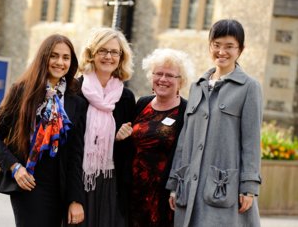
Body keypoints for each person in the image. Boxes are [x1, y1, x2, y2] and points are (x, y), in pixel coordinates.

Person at [166, 19, 263, 227]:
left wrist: (249, 186)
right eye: (217, 45)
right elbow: (184, 139)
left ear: (241, 50)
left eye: (229, 46)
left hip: (222, 187)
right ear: (210, 45)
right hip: (189, 187)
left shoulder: (249, 88)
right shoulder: (197, 86)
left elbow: (252, 141)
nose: (222, 52)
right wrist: (175, 182)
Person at [0, 34, 86, 227]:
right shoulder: (21, 91)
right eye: (54, 56)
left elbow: (75, 155)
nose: (60, 62)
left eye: (66, 57)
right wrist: (15, 168)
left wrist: (75, 199)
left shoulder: (76, 101)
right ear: (43, 58)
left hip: (61, 185)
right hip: (29, 181)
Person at [77, 27, 136, 227]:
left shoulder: (126, 97)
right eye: (103, 50)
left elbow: (128, 153)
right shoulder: (75, 91)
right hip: (80, 180)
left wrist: (118, 140)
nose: (108, 56)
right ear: (91, 54)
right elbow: (70, 147)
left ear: (121, 57)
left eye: (114, 52)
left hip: (111, 183)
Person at [130, 48, 194, 227]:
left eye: (170, 75)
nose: (163, 79)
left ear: (181, 81)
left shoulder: (187, 111)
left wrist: (176, 188)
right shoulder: (142, 103)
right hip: (133, 191)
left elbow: (188, 153)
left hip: (163, 194)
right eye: (159, 73)